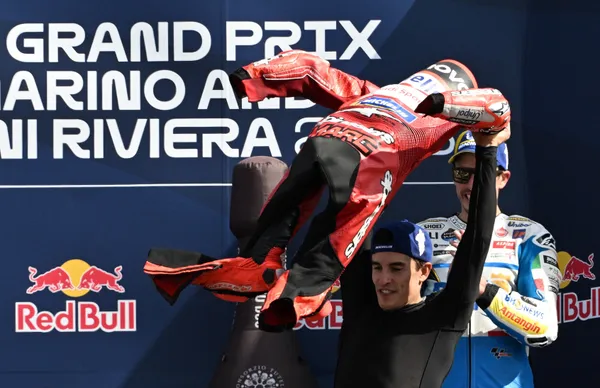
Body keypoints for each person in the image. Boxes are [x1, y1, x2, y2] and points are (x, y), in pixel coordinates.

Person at [143, 50, 511, 332]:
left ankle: (201, 267)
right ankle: (293, 299)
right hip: (370, 157)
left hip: (321, 141)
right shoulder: (444, 117)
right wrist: (451, 108)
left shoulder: (373, 93)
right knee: (335, 240)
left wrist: (255, 77)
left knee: (264, 250)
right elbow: (495, 106)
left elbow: (311, 71)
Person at [333, 127, 508, 388]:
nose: (384, 279)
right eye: (377, 267)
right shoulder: (361, 307)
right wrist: (360, 137)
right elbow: (355, 214)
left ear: (424, 272)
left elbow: (479, 234)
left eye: (397, 268)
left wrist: (487, 150)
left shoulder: (441, 317)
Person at [418, 129, 560, 388]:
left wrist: (483, 290)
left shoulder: (529, 236)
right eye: (462, 174)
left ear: (503, 178)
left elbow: (544, 329)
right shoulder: (424, 236)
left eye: (483, 172)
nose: (472, 184)